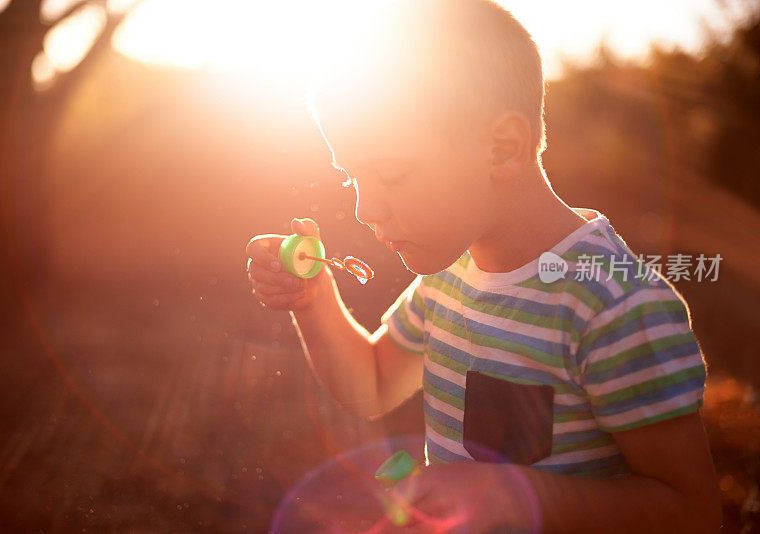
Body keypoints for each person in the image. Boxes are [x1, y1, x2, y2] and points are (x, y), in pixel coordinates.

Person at [245, 1, 722, 531]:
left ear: (501, 149)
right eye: (351, 178)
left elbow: (691, 513)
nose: (364, 208)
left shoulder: (615, 306)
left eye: (392, 173)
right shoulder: (448, 277)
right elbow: (373, 386)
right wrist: (315, 304)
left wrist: (525, 498)